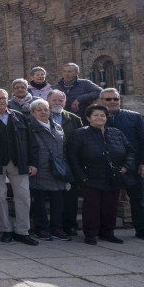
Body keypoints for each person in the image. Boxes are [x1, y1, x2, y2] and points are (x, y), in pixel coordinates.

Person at [67, 104, 136, 245]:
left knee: (110, 206)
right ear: (88, 118)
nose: (100, 118)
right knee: (91, 207)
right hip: (90, 176)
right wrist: (81, 176)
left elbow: (130, 152)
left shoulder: (117, 133)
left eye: (102, 115)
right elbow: (72, 157)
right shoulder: (80, 134)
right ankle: (90, 234)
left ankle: (108, 233)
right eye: (96, 115)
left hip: (113, 176)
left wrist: (125, 167)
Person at [102, 88, 144, 242]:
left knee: (137, 199)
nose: (112, 102)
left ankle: (142, 229)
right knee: (107, 200)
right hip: (108, 167)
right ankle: (106, 230)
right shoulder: (97, 117)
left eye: (115, 99)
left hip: (134, 166)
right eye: (108, 99)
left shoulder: (133, 117)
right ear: (101, 101)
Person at [0, 88, 36, 245]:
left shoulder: (19, 116)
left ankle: (22, 231)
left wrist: (32, 162)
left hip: (18, 162)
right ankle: (6, 230)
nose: (1, 101)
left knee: (23, 196)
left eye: (4, 98)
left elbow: (31, 141)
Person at [26, 99, 69, 241]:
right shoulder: (29, 127)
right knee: (39, 201)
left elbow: (64, 147)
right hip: (39, 169)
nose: (43, 112)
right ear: (32, 113)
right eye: (39, 110)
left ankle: (57, 227)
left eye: (46, 109)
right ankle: (41, 228)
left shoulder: (57, 126)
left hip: (57, 170)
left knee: (58, 201)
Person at [47, 89, 83, 237]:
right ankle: (52, 226)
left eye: (60, 100)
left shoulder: (74, 119)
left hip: (69, 162)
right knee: (53, 196)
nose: (57, 103)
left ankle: (70, 225)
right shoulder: (42, 115)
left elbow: (81, 140)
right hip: (48, 162)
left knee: (70, 196)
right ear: (48, 101)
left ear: (65, 102)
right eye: (54, 100)